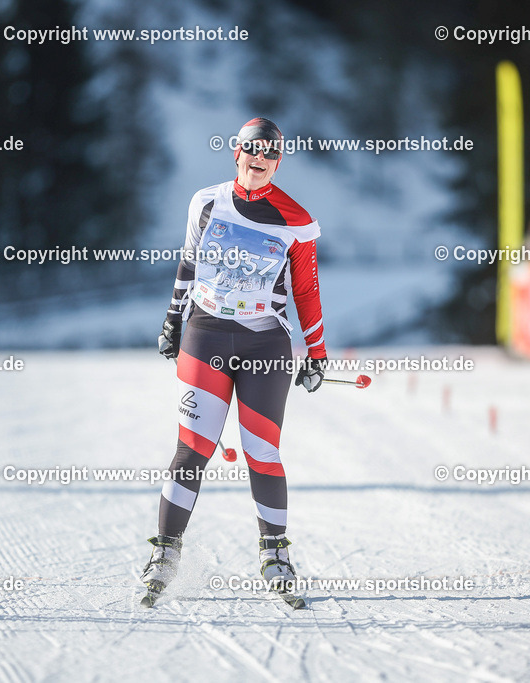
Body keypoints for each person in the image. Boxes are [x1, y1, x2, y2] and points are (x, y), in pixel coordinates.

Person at [140, 117, 328, 602]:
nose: (260, 160)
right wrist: (171, 319)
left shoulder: (297, 221)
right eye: (253, 150)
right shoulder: (206, 201)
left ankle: (275, 554)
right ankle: (165, 550)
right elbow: (187, 260)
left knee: (262, 452)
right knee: (193, 448)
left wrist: (317, 353)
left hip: (265, 344)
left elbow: (306, 291)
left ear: (278, 161)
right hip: (206, 334)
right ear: (237, 153)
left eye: (271, 153)